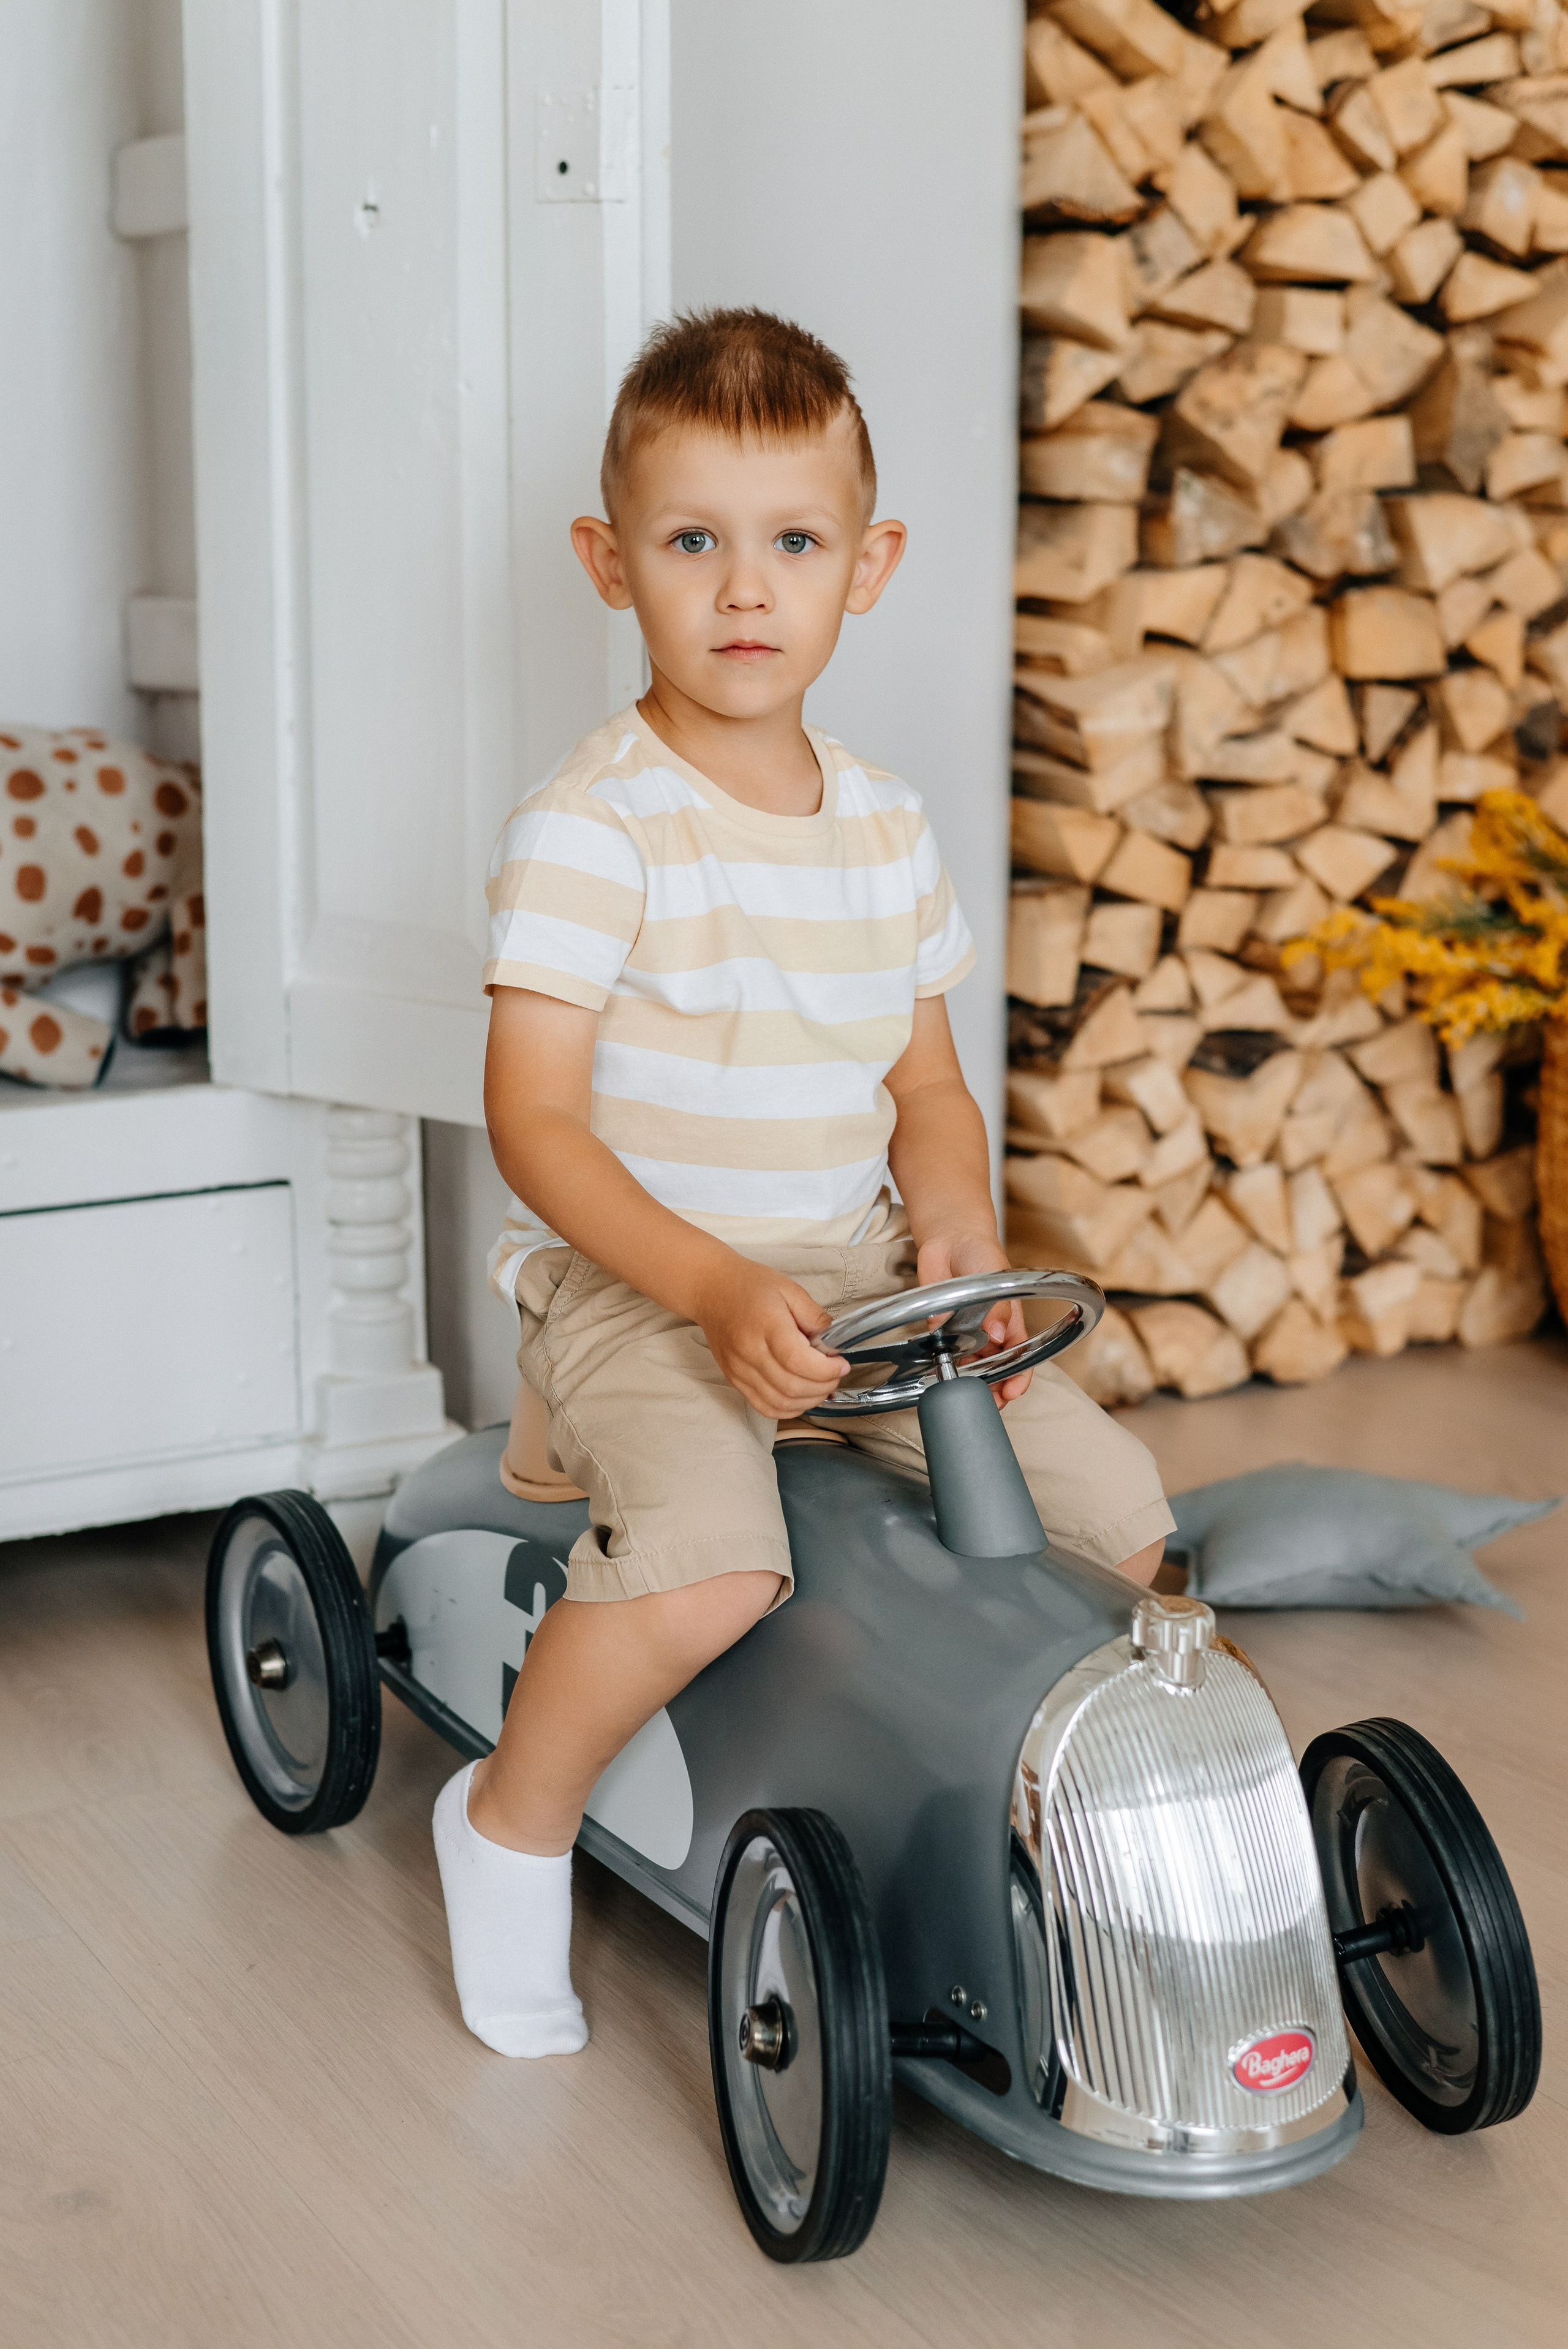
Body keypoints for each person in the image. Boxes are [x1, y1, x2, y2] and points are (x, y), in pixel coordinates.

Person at [432, 307, 1174, 2058]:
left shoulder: (887, 828)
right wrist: (703, 1289)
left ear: (869, 562)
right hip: (643, 1279)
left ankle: (1095, 1847)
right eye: (694, 542)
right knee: (711, 1571)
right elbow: (536, 1125)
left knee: (1126, 1518)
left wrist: (960, 1228)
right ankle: (508, 1828)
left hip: (851, 1266)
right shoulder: (592, 826)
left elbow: (924, 1084)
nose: (745, 590)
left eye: (793, 543)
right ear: (612, 566)